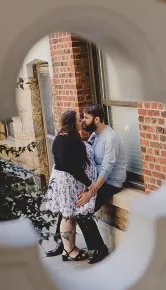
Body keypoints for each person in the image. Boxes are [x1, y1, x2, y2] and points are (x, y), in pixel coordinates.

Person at [45, 104, 127, 264]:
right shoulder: (95, 135)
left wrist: (91, 190)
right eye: (81, 118)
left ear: (96, 119)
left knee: (81, 210)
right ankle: (64, 244)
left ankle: (100, 248)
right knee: (68, 206)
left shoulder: (110, 138)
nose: (83, 121)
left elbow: (107, 168)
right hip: (95, 181)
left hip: (109, 182)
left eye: (86, 118)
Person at [44, 110, 97, 262]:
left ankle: (69, 248)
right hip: (66, 182)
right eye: (79, 120)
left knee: (69, 215)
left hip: (66, 181)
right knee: (67, 216)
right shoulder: (66, 140)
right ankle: (68, 250)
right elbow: (71, 166)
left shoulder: (64, 138)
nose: (82, 121)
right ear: (72, 123)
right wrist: (89, 183)